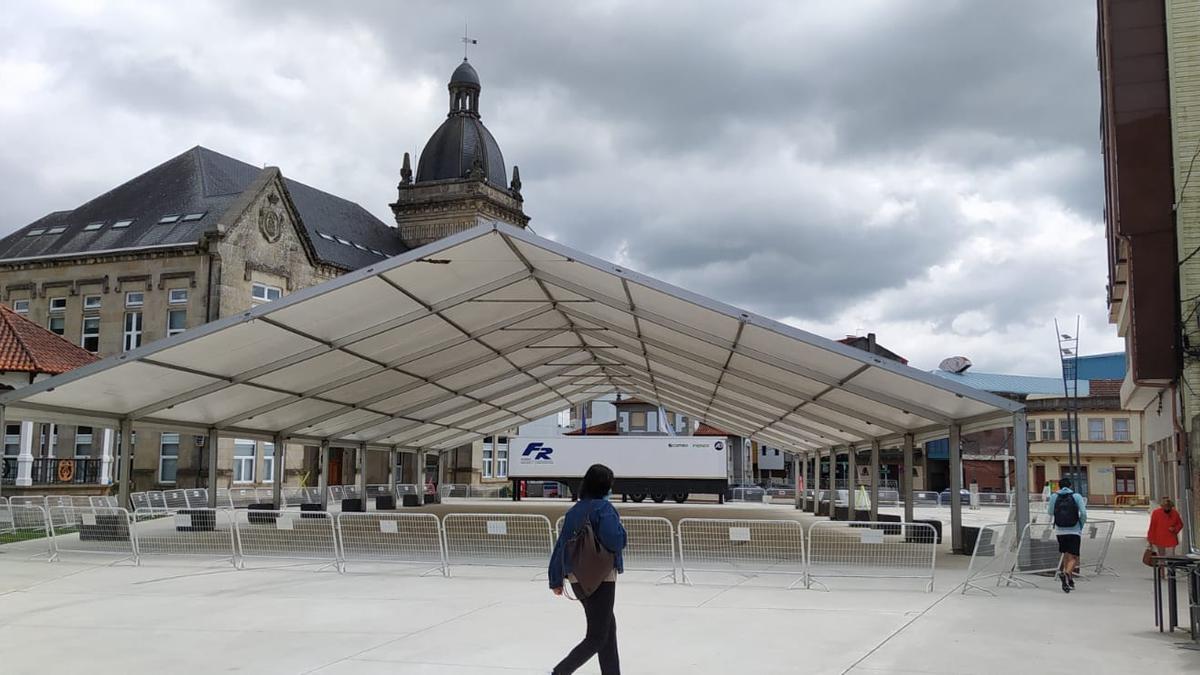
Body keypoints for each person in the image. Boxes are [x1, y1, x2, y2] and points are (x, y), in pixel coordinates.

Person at [548, 464, 627, 675]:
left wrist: (556, 579)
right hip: (601, 578)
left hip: (578, 578)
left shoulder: (574, 511)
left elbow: (561, 545)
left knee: (608, 630)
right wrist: (623, 532)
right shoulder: (604, 509)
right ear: (605, 486)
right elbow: (615, 541)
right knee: (597, 636)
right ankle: (560, 671)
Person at [1047, 478, 1087, 593]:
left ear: (1059, 486)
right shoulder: (1077, 496)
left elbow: (1050, 512)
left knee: (1065, 554)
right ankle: (1066, 573)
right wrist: (1081, 524)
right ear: (1070, 486)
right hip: (1074, 530)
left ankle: (1069, 580)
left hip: (1060, 531)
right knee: (1074, 556)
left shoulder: (1054, 497)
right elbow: (1083, 513)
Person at [1147, 496, 1184, 561]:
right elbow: (1152, 527)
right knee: (1161, 559)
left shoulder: (1175, 513)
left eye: (1168, 507)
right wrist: (1150, 540)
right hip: (1159, 539)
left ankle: (1170, 571)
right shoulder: (1156, 513)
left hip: (1171, 539)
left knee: (1171, 558)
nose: (1167, 508)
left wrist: (1174, 529)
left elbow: (1180, 524)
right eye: (1165, 507)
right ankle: (1161, 571)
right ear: (1162, 506)